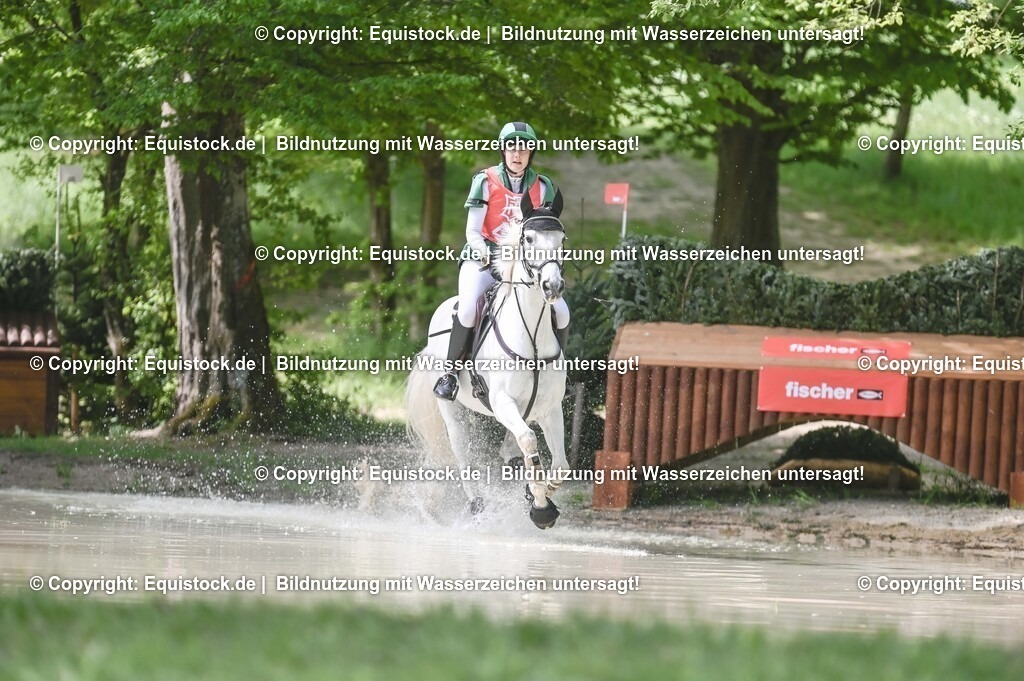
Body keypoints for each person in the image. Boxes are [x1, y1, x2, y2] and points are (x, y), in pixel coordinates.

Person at [433, 121, 570, 401]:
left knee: (562, 311)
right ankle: (450, 374)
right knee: (469, 308)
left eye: (524, 148)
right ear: (502, 150)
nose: (517, 154)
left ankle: (557, 373)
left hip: (523, 265)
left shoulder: (542, 186)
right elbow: (472, 231)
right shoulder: (485, 181)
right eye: (511, 147)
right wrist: (486, 254)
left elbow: (544, 232)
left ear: (531, 153)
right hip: (483, 259)